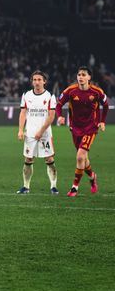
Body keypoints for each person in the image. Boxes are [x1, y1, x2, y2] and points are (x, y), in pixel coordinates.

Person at [55, 66, 109, 197]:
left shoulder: (96, 91)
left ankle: (74, 187)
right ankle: (92, 176)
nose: (80, 77)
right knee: (83, 159)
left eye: (84, 74)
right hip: (75, 128)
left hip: (91, 128)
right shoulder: (70, 91)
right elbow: (58, 104)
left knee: (80, 156)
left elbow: (106, 104)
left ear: (89, 78)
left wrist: (102, 121)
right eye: (79, 74)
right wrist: (60, 116)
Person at [17, 70, 58, 194]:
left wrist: (41, 131)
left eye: (39, 79)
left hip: (45, 134)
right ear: (32, 82)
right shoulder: (26, 95)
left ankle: (53, 186)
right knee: (28, 159)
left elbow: (51, 116)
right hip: (30, 133)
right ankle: (26, 186)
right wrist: (20, 130)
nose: (37, 82)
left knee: (49, 159)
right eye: (34, 80)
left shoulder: (50, 96)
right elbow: (23, 113)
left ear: (44, 81)